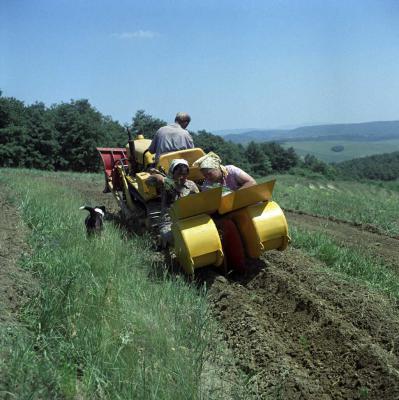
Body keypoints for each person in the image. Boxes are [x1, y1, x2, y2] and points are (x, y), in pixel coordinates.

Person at [158, 159, 199, 247]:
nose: (181, 177)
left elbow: (198, 200)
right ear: (173, 173)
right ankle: (162, 238)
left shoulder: (191, 185)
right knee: (174, 237)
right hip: (169, 221)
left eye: (184, 174)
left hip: (187, 217)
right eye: (178, 174)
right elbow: (149, 181)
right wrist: (158, 177)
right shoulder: (166, 183)